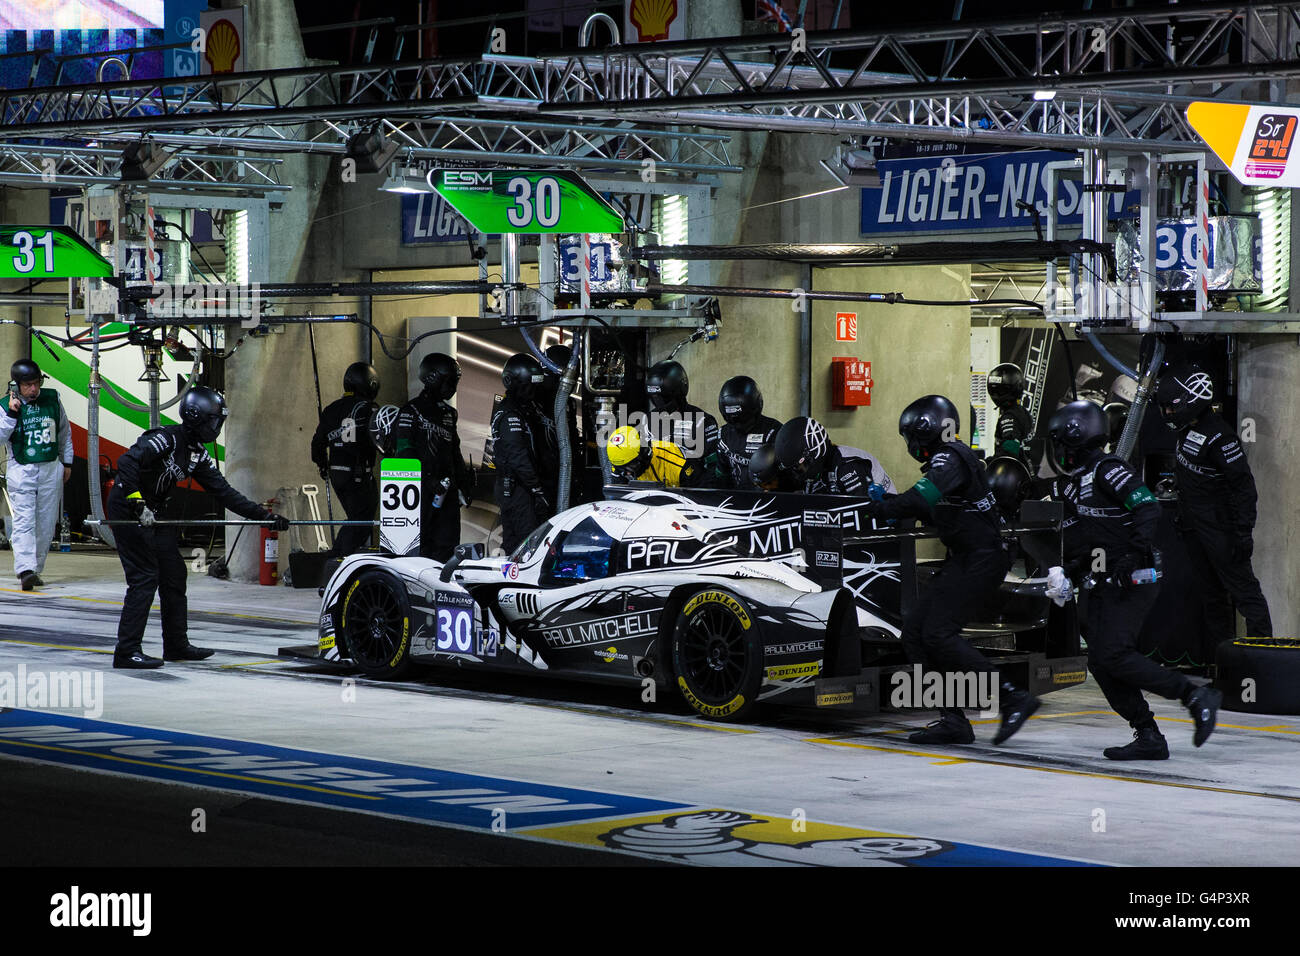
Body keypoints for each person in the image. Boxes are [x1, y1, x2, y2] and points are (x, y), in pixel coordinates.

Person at [1046, 399, 1221, 759]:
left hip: (1135, 577)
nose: (1059, 451)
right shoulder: (1071, 484)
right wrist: (1067, 571)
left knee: (1114, 653)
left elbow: (1147, 507)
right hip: (1102, 580)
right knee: (1099, 660)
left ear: (1076, 439)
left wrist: (1130, 554)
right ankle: (1148, 734)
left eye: (1062, 442)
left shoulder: (1109, 470)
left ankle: (1194, 695)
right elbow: (1083, 539)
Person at [862, 395, 1039, 746]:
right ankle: (952, 719)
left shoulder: (951, 457)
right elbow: (935, 511)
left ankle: (1012, 697)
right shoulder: (949, 463)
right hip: (966, 558)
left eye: (912, 436)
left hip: (983, 558)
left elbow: (919, 500)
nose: (911, 445)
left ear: (927, 431)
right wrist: (892, 507)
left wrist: (881, 508)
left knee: (939, 634)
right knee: (914, 632)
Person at [109, 387, 290, 668]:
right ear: (196, 417)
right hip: (127, 509)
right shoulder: (165, 439)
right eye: (214, 420)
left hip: (155, 514)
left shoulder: (196, 454)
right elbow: (127, 461)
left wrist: (264, 517)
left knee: (174, 575)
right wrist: (136, 502)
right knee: (145, 577)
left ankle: (176, 645)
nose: (216, 426)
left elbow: (225, 492)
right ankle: (126, 652)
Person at [1155, 365, 1272, 642]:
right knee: (1211, 595)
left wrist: (1243, 532)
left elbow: (1244, 486)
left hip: (1222, 529)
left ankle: (1264, 657)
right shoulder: (1186, 430)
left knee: (1244, 592)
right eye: (1166, 409)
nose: (1169, 414)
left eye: (1172, 408)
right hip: (1194, 527)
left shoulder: (1221, 436)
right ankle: (1225, 661)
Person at [0, 359, 73, 590]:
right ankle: (25, 570)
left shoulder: (52, 399)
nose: (33, 389)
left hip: (51, 467)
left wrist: (67, 462)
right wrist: (12, 415)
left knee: (46, 524)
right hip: (22, 469)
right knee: (24, 522)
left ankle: (35, 569)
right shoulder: (5, 405)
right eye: (28, 385)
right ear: (16, 385)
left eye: (36, 383)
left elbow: (64, 432)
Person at [395, 353, 474, 562]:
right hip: (420, 491)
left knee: (447, 545)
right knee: (422, 544)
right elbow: (403, 451)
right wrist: (427, 480)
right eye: (449, 382)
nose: (453, 388)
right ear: (432, 378)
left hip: (447, 491)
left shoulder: (450, 413)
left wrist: (464, 484)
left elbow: (454, 451)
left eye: (455, 383)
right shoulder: (410, 411)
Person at [311, 361, 379, 557]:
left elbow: (316, 444)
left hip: (336, 474)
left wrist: (323, 465)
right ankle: (337, 559)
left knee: (355, 518)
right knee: (361, 521)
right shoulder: (368, 409)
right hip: (358, 474)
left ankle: (338, 557)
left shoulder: (331, 409)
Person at [491, 353, 554, 554]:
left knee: (521, 542)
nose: (532, 391)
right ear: (512, 382)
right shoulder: (510, 413)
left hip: (520, 487)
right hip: (517, 489)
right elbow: (517, 455)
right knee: (525, 543)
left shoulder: (525, 409)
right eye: (528, 386)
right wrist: (536, 488)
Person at [770, 416, 894, 496]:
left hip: (887, 527)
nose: (798, 473)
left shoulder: (848, 466)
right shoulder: (822, 466)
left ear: (814, 452)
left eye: (799, 466)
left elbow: (860, 513)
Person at [645, 359, 721, 487]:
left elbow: (714, 468)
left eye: (663, 398)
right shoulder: (647, 420)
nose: (659, 403)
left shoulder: (703, 421)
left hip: (689, 494)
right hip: (652, 493)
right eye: (655, 398)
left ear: (679, 391)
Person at [716, 375, 782, 488]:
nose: (739, 425)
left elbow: (787, 476)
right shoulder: (724, 434)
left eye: (744, 419)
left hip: (768, 499)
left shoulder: (773, 431)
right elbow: (721, 474)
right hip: (734, 500)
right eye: (734, 420)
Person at [537, 344, 583, 507]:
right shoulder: (532, 400)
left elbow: (572, 440)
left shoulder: (568, 404)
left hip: (562, 476)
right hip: (540, 480)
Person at [987, 362, 1037, 469]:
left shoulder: (1010, 416)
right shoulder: (1021, 411)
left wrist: (987, 463)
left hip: (1012, 474)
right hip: (1024, 469)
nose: (996, 394)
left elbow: (1010, 449)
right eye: (995, 390)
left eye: (1000, 390)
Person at [606, 424, 690, 487]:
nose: (627, 473)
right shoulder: (621, 465)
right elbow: (618, 498)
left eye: (631, 467)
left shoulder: (678, 463)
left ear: (645, 454)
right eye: (621, 468)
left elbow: (700, 498)